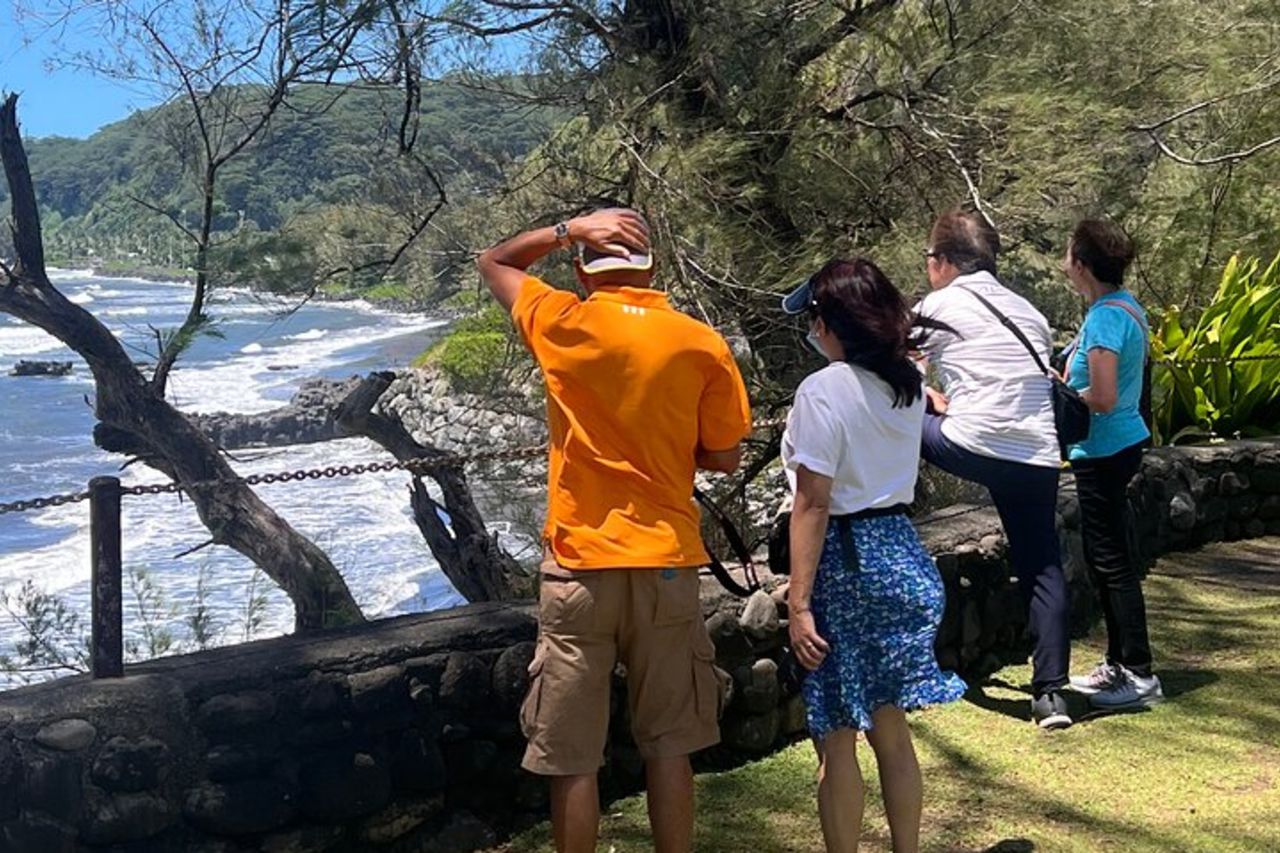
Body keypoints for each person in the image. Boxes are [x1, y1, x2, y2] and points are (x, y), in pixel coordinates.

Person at [476, 207, 752, 853]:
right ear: (652, 268)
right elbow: (727, 452)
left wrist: (570, 227)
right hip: (665, 561)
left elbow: (494, 260)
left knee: (573, 754)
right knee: (670, 745)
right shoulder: (697, 341)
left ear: (580, 270)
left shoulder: (562, 321)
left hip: (579, 566)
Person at [782, 258, 965, 853]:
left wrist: (799, 604)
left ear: (833, 320)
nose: (811, 329)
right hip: (899, 551)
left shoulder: (823, 389)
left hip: (845, 558)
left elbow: (812, 503)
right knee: (891, 726)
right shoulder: (905, 384)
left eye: (813, 316)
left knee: (836, 733)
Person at [914, 209, 1074, 730]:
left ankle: (879, 521)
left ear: (941, 262)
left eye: (928, 260)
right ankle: (1050, 694)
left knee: (899, 417)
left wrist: (922, 397)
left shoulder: (940, 304)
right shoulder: (1029, 312)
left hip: (973, 443)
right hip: (1036, 454)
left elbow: (889, 364)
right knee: (1042, 564)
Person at [1060, 219, 1162, 709]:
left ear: (1080, 264)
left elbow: (1100, 396)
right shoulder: (1127, 308)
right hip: (1119, 445)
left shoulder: (1103, 318)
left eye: (1068, 254)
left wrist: (1060, 397)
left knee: (1112, 561)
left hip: (1102, 449)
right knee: (1111, 558)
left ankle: (1138, 673)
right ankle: (1119, 663)